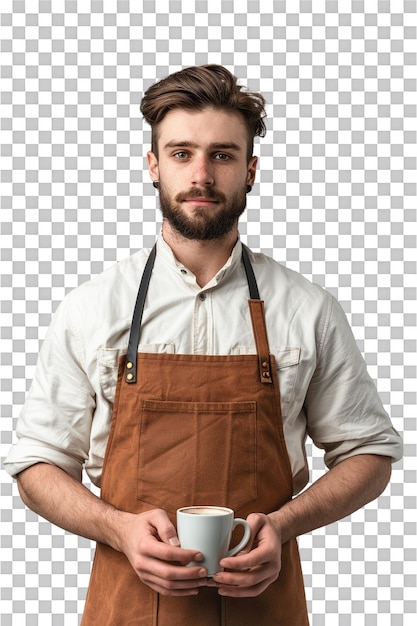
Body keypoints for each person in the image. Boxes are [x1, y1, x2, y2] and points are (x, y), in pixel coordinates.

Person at [5, 65, 402, 626]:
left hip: (264, 608)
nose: (201, 174)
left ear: (251, 170)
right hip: (128, 607)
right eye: (181, 153)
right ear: (153, 165)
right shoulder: (92, 308)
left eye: (222, 155)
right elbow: (38, 464)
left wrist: (283, 527)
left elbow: (369, 453)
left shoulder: (307, 308)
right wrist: (118, 528)